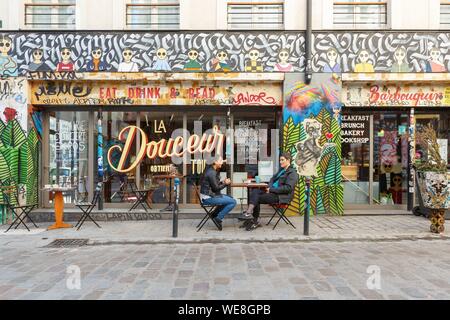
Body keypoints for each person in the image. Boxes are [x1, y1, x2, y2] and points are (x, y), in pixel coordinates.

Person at [239, 152, 299, 231]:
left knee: (256, 197)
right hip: (272, 192)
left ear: (288, 160)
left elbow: (288, 188)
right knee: (255, 191)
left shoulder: (292, 173)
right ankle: (250, 215)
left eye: (282, 160)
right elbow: (272, 179)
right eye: (280, 160)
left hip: (281, 196)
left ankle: (252, 217)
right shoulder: (282, 170)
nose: (280, 162)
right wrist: (270, 187)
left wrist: (271, 190)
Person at [199, 156, 236, 230]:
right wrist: (225, 183)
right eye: (221, 160)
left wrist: (223, 182)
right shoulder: (211, 172)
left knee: (229, 198)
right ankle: (218, 218)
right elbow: (216, 189)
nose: (222, 162)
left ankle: (214, 214)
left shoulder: (211, 170)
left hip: (208, 196)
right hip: (208, 198)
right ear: (215, 162)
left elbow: (214, 185)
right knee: (233, 202)